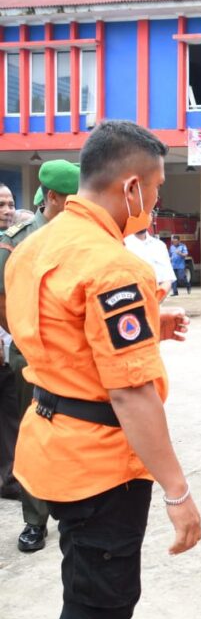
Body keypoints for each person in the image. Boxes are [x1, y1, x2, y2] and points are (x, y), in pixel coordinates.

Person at [6, 120, 201, 619]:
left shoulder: (35, 246)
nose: (155, 202)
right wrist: (178, 491)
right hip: (101, 464)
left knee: (83, 585)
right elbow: (130, 392)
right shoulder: (115, 265)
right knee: (98, 612)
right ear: (132, 187)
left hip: (51, 443)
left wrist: (149, 323)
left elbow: (52, 329)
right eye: (156, 189)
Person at [0, 159, 79, 553]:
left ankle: (72, 509)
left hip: (77, 357)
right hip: (32, 356)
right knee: (33, 437)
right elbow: (3, 300)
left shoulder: (84, 236)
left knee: (74, 433)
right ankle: (35, 520)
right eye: (72, 198)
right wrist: (28, 340)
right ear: (52, 197)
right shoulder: (18, 240)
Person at [125, 226, 175, 298]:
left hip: (155, 298)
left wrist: (155, 301)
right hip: (131, 297)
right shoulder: (123, 245)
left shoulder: (159, 245)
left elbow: (167, 279)